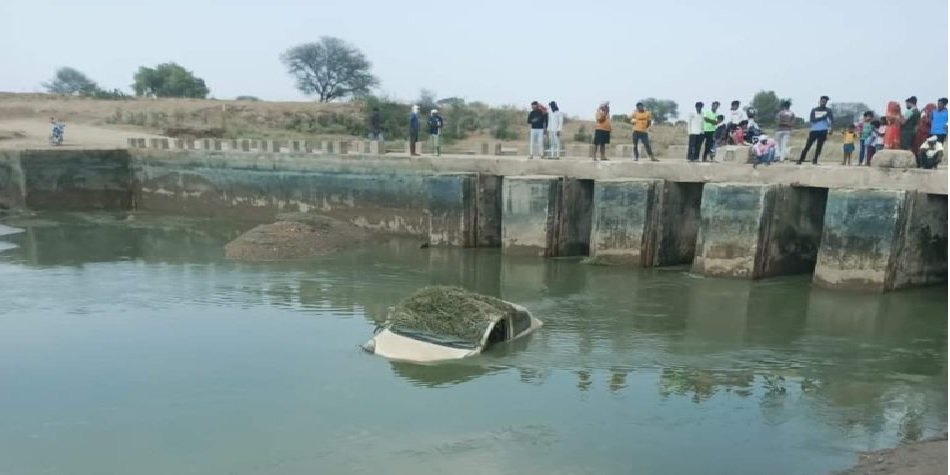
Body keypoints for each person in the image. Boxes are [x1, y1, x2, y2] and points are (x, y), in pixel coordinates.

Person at [797, 95, 834, 164]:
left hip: (823, 130)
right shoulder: (814, 110)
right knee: (808, 145)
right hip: (814, 130)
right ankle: (801, 159)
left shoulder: (828, 110)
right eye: (822, 101)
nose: (823, 103)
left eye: (825, 102)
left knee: (819, 146)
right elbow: (812, 120)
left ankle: (815, 160)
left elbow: (831, 120)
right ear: (820, 101)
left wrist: (831, 129)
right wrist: (822, 117)